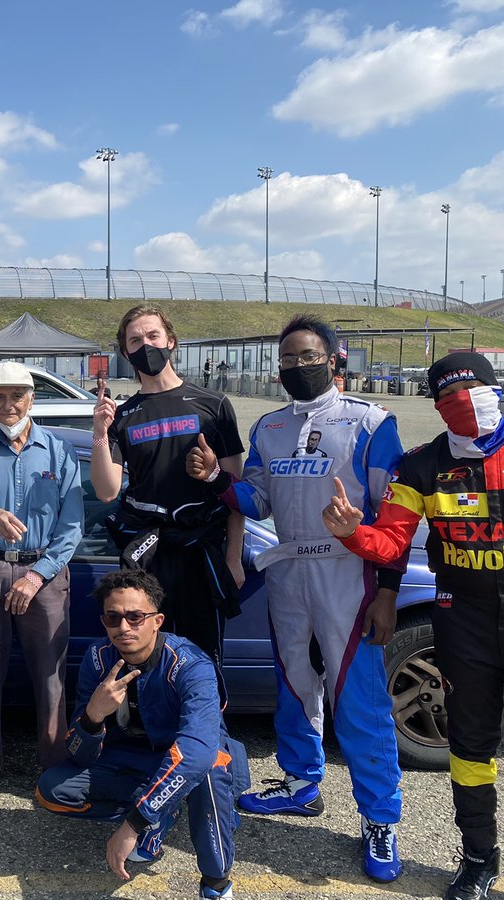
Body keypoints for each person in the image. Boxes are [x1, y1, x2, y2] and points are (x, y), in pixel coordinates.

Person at [186, 314, 406, 883]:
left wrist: (386, 591)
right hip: (289, 571)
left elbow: (395, 520)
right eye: (287, 359)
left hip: (346, 571)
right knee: (293, 684)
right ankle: (302, 784)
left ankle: (380, 819)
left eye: (309, 356)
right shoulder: (269, 427)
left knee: (357, 698)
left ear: (335, 359)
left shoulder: (373, 423)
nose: (297, 366)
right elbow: (254, 498)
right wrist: (216, 478)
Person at [323, 351, 504, 900]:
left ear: (500, 393)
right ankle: (477, 860)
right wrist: (353, 533)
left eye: (474, 395)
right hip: (462, 626)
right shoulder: (421, 465)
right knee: (470, 752)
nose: (464, 409)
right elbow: (392, 542)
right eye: (448, 402)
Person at [36, 569, 245, 900]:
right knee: (51, 790)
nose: (123, 627)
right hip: (130, 758)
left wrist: (134, 822)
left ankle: (216, 884)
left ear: (157, 620)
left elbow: (197, 751)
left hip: (187, 759)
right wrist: (94, 715)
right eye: (113, 617)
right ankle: (164, 810)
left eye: (135, 616)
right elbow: (77, 752)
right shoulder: (97, 658)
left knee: (210, 771)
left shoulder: (191, 665)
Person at [0, 362, 82, 808]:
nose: (7, 406)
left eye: (16, 397)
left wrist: (37, 575)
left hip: (43, 574)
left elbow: (72, 525)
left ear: (31, 399)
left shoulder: (59, 452)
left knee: (51, 675)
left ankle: (54, 764)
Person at [90, 304, 245, 667]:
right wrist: (99, 432)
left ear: (171, 341)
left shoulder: (214, 405)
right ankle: (152, 722)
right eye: (135, 340)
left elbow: (236, 491)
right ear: (126, 352)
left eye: (153, 335)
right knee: (145, 658)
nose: (146, 345)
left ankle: (203, 724)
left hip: (201, 552)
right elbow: (106, 491)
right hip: (147, 555)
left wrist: (233, 558)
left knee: (202, 660)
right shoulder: (122, 416)